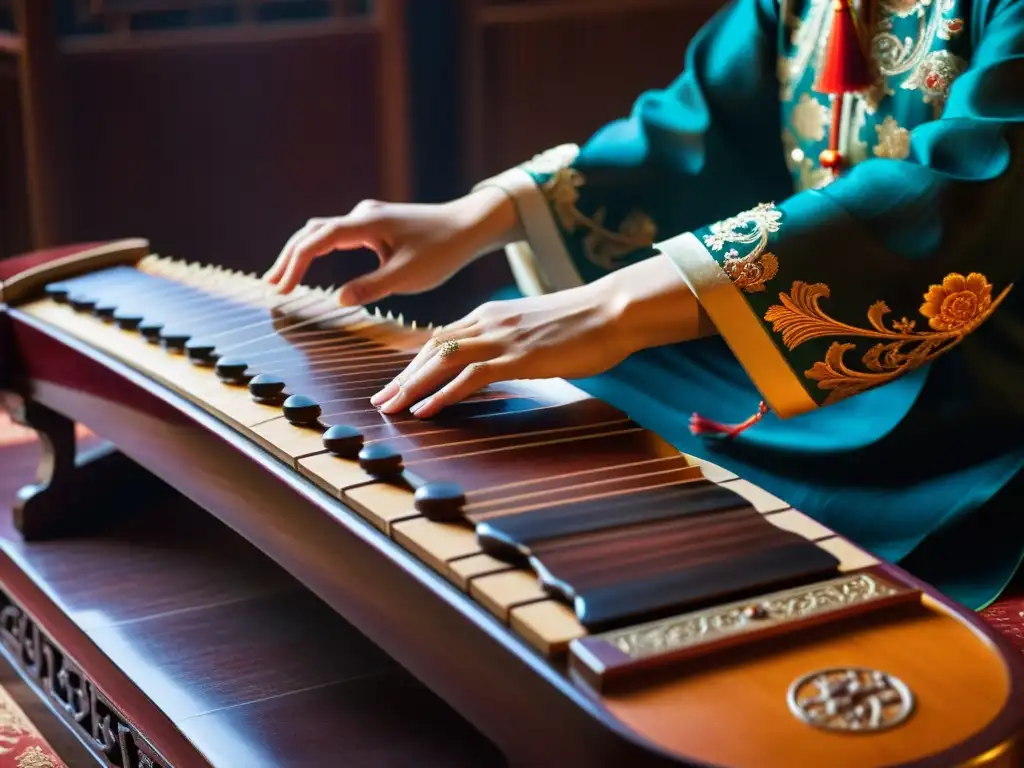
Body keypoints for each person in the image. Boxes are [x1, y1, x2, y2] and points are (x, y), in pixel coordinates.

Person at [263, 0, 1024, 611]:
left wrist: (607, 310)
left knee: (559, 364)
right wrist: (481, 213)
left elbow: (959, 195)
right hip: (801, 324)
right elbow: (693, 133)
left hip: (971, 378)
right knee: (519, 372)